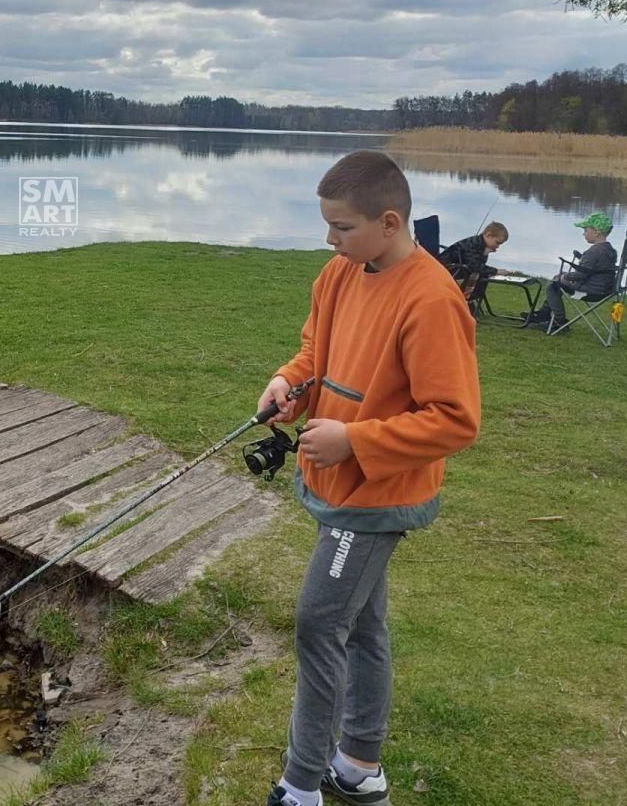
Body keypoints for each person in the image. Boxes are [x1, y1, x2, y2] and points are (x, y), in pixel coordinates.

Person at [257, 150, 481, 806]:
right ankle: (358, 765)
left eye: (342, 227)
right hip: (337, 485)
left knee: (320, 621)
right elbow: (313, 355)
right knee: (363, 622)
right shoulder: (337, 274)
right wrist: (287, 385)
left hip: (378, 494)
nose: (330, 240)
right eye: (327, 226)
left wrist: (355, 440)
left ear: (389, 222)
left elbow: (455, 420)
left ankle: (301, 788)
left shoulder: (432, 299)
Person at [526, 211, 618, 333]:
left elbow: (581, 275)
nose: (583, 233)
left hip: (589, 291)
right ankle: (544, 313)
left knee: (553, 284)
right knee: (557, 280)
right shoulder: (610, 250)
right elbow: (596, 268)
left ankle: (559, 321)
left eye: (585, 230)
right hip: (604, 290)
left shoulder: (592, 252)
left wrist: (566, 275)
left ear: (596, 232)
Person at [438, 220, 511, 283]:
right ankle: (466, 296)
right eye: (497, 242)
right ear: (489, 235)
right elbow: (474, 266)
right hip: (443, 269)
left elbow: (479, 264)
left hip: (455, 270)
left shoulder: (481, 245)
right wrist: (496, 271)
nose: (498, 246)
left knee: (482, 274)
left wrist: (485, 253)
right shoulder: (473, 244)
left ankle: (471, 295)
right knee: (479, 273)